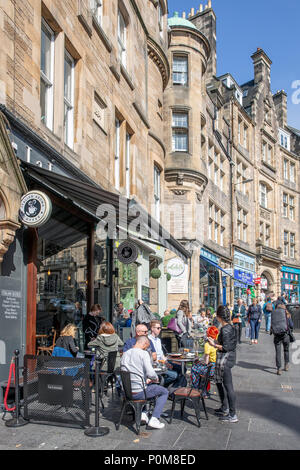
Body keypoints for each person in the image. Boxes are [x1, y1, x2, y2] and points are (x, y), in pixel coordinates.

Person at [121, 336, 169, 429]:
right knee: (164, 391)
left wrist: (145, 379)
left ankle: (143, 413)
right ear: (145, 344)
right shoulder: (143, 354)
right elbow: (151, 373)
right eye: (147, 346)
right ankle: (154, 419)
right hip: (139, 393)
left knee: (148, 385)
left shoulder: (125, 354)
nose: (147, 348)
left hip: (126, 392)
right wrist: (155, 378)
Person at [207, 305, 238, 423]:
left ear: (219, 317)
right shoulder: (231, 327)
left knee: (228, 386)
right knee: (221, 384)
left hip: (226, 359)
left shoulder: (225, 329)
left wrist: (214, 344)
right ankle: (224, 408)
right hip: (230, 358)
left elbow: (225, 347)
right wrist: (214, 341)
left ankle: (232, 414)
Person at [148, 320, 180, 387]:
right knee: (174, 375)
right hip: (156, 365)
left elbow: (161, 354)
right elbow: (152, 358)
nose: (160, 330)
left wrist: (166, 362)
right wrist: (163, 364)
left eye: (160, 328)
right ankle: (159, 384)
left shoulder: (158, 340)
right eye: (158, 328)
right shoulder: (148, 340)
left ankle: (173, 389)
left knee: (180, 368)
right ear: (152, 328)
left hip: (162, 363)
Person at [190, 326, 219, 398]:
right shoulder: (217, 343)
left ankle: (195, 387)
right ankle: (204, 391)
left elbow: (206, 362)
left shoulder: (207, 344)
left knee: (194, 368)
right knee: (198, 368)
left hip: (210, 369)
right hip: (215, 367)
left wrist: (199, 361)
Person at [270, 302, 294, 375]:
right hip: (285, 335)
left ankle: (279, 368)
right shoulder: (286, 313)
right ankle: (286, 365)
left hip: (276, 335)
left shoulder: (273, 313)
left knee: (278, 352)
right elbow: (291, 325)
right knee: (286, 350)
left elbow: (272, 324)